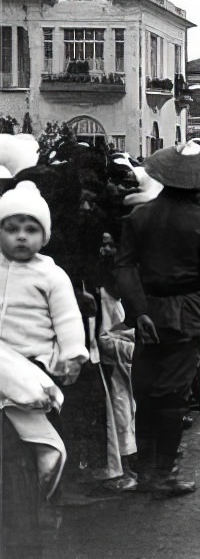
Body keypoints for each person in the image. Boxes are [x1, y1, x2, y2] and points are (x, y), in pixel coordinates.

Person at [114, 140, 200, 497]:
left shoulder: (139, 217)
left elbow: (125, 265)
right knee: (174, 394)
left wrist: (139, 310)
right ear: (199, 183)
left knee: (146, 390)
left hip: (148, 311)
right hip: (186, 311)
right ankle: (163, 473)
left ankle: (144, 468)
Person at [0, 181, 88, 500]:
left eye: (31, 229)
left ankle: (48, 455)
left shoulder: (51, 275)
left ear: (44, 236)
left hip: (36, 363)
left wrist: (73, 352)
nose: (21, 235)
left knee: (35, 412)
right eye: (11, 228)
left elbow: (66, 318)